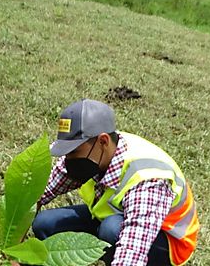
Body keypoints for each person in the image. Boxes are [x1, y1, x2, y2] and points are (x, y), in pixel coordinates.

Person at [33, 99, 200, 266]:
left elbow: (132, 252)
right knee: (45, 223)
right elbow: (39, 193)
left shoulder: (147, 180)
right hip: (113, 216)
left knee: (111, 230)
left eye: (74, 152)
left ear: (103, 141)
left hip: (165, 240)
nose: (68, 159)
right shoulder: (94, 150)